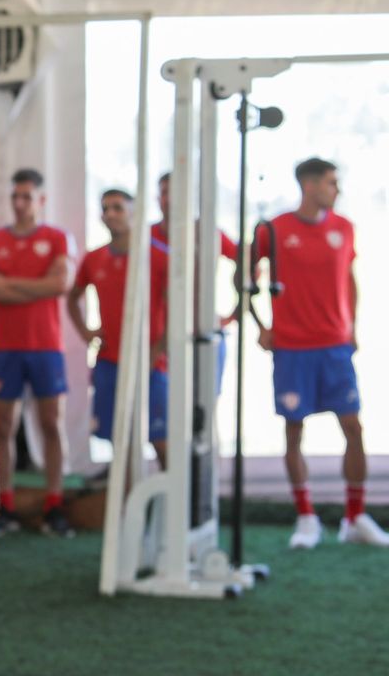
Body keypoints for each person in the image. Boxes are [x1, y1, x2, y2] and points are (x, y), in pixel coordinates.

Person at [253, 157, 388, 549]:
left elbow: (349, 279)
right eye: (331, 182)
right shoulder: (275, 229)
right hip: (292, 348)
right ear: (310, 186)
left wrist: (352, 328)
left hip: (335, 346)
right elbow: (245, 277)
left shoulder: (344, 229)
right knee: (294, 430)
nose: (337, 189)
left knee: (354, 427)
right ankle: (306, 517)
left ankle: (355, 517)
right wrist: (262, 326)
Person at [0, 168, 75, 536]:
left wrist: (10, 285)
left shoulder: (57, 238)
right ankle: (5, 506)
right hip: (7, 347)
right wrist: (37, 286)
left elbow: (61, 283)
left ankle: (55, 504)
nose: (19, 204)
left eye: (26, 197)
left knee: (51, 424)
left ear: (41, 200)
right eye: (14, 197)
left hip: (46, 347)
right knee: (2, 426)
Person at [67, 189, 170, 466]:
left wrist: (154, 353)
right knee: (119, 440)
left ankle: (175, 505)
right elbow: (72, 297)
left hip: (152, 365)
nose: (110, 214)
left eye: (117, 208)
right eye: (105, 208)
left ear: (134, 213)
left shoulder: (159, 257)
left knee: (162, 440)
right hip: (110, 362)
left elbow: (176, 314)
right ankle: (124, 504)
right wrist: (87, 333)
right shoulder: (95, 258)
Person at [153, 171, 238, 393]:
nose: (170, 198)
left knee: (204, 406)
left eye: (176, 192)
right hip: (161, 340)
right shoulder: (147, 236)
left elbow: (247, 264)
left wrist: (234, 313)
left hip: (202, 332)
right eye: (164, 192)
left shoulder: (207, 232)